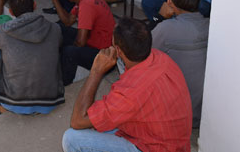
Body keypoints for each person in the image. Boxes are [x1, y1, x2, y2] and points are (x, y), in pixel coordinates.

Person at [63, 17, 192, 152]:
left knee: (72, 138)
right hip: (175, 143)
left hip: (153, 147)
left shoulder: (129, 93)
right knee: (96, 123)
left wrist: (96, 71)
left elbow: (77, 121)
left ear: (118, 51)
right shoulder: (161, 57)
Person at [0, 0, 65, 114]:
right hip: (50, 101)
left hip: (14, 103)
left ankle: (1, 101)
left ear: (10, 11)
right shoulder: (55, 28)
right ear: (35, 5)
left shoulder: (4, 31)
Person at [148, 0, 209, 128]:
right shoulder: (210, 25)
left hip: (175, 116)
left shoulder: (166, 29)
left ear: (169, 1)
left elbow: (141, 52)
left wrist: (158, 18)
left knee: (126, 59)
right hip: (200, 115)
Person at [52, 0, 115, 85]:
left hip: (104, 56)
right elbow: (67, 22)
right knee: (58, 28)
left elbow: (80, 42)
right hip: (97, 43)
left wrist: (65, 49)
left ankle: (64, 81)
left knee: (69, 52)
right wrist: (55, 0)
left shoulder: (86, 5)